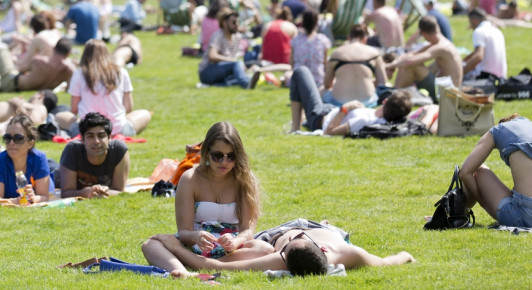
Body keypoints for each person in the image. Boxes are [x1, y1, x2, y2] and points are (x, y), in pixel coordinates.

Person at [142, 122, 263, 273]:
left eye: (230, 157)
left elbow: (247, 230)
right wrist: (196, 236)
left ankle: (192, 266)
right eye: (217, 156)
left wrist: (235, 241)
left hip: (232, 249)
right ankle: (192, 269)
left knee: (263, 248)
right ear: (207, 152)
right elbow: (184, 232)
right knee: (150, 245)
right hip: (195, 246)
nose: (224, 162)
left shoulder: (245, 179)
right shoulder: (190, 178)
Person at [147, 218, 413, 277]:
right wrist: (405, 255)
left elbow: (214, 265)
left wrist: (174, 246)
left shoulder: (278, 258)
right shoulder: (347, 252)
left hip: (274, 237)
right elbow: (390, 260)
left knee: (259, 249)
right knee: (259, 247)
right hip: (308, 224)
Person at [459, 114, 532, 229]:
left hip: (528, 216)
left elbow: (465, 172)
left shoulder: (499, 130)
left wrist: (483, 202)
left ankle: (461, 213)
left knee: (479, 171)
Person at [289, 66, 414, 135]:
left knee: (301, 72)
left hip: (319, 117)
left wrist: (345, 108)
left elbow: (329, 132)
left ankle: (295, 127)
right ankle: (300, 121)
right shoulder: (379, 118)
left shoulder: (363, 121)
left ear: (385, 101)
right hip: (330, 110)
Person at [68, 39, 150, 137]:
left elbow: (74, 109)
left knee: (61, 116)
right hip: (118, 129)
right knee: (145, 114)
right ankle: (115, 135)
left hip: (87, 131)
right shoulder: (121, 72)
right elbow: (128, 107)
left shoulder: (79, 74)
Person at [385, 15, 463, 101]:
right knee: (411, 60)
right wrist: (393, 64)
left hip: (448, 94)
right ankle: (396, 92)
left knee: (413, 65)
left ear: (424, 34)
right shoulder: (438, 43)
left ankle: (395, 93)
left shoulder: (441, 47)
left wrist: (389, 66)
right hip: (445, 88)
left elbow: (410, 62)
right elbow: (411, 54)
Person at [59, 112, 129, 199]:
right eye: (90, 136)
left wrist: (102, 192)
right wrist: (84, 192)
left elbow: (119, 191)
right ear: (82, 140)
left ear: (109, 138)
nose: (96, 141)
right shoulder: (72, 150)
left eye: (101, 136)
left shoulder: (119, 150)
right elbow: (65, 192)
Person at [0, 114, 54, 203]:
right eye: (7, 138)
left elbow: (44, 196)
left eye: (18, 138)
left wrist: (34, 198)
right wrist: (15, 201)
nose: (11, 142)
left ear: (30, 143)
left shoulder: (39, 158)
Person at [323, 24, 387, 107]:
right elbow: (382, 83)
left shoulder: (336, 53)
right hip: (367, 102)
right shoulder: (374, 53)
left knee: (323, 91)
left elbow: (327, 84)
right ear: (365, 38)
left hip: (339, 102)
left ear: (349, 37)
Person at [198, 8, 258, 89]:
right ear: (224, 23)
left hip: (222, 71)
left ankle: (215, 85)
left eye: (238, 22)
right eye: (233, 22)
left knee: (239, 72)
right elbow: (212, 56)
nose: (236, 24)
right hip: (207, 72)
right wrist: (231, 60)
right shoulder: (218, 36)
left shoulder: (237, 37)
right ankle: (246, 84)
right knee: (237, 65)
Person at [0, 38, 75, 92]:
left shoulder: (39, 60)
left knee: (1, 51)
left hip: (11, 84)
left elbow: (20, 69)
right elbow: (68, 89)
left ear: (53, 48)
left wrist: (13, 58)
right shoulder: (69, 70)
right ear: (68, 53)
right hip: (29, 87)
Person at [289, 9, 331, 89]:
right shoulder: (323, 40)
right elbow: (325, 63)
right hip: (318, 80)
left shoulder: (296, 40)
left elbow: (291, 63)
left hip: (299, 79)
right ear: (316, 23)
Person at [463, 8, 507, 80]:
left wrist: (462, 71)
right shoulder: (496, 30)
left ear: (474, 20)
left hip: (485, 77)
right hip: (501, 77)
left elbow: (479, 56)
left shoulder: (479, 31)